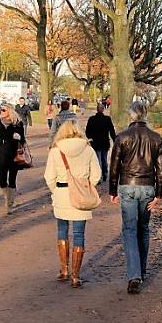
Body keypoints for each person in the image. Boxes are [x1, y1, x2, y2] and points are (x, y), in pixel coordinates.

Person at [109, 101, 162, 295]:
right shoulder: (156, 138)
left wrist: (113, 191)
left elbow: (114, 165)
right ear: (145, 115)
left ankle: (134, 275)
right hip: (148, 186)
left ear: (131, 116)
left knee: (130, 230)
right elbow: (160, 169)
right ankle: (141, 270)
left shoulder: (122, 137)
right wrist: (158, 194)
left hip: (128, 186)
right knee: (143, 229)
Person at [44, 121, 101, 288]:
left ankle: (64, 269)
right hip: (81, 195)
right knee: (79, 233)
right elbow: (96, 175)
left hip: (61, 194)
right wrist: (86, 187)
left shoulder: (55, 151)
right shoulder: (88, 150)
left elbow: (49, 177)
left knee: (62, 229)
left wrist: (56, 191)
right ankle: (76, 276)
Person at [0, 103, 25, 213]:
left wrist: (19, 137)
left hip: (14, 153)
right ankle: (7, 197)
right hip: (2, 153)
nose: (2, 112)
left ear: (10, 111)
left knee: (12, 180)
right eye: (1, 110)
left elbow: (23, 140)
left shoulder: (18, 123)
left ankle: (10, 203)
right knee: (2, 180)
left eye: (4, 110)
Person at [85, 102, 116, 182]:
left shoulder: (92, 119)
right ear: (103, 110)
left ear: (97, 109)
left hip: (95, 142)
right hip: (105, 142)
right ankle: (105, 173)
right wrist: (114, 139)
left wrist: (90, 138)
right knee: (104, 159)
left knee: (97, 159)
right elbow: (111, 130)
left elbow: (87, 131)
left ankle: (98, 176)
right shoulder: (107, 119)